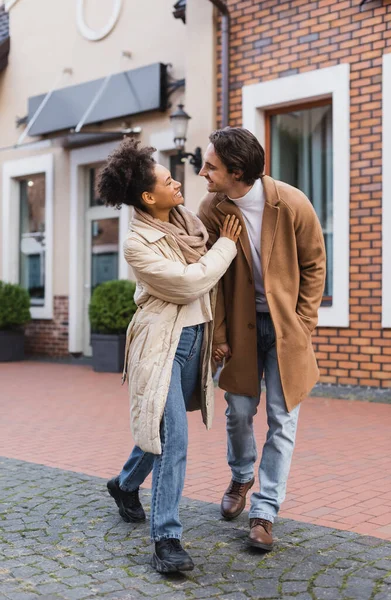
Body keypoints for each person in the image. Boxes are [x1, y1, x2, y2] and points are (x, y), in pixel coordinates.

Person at [97, 138, 241, 573]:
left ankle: (124, 485)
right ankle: (166, 539)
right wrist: (225, 248)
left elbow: (206, 288)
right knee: (174, 439)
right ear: (147, 197)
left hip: (195, 341)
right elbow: (188, 282)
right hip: (161, 348)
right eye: (166, 180)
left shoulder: (188, 223)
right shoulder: (138, 243)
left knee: (160, 430)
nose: (177, 181)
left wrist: (215, 335)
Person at [197, 127, 326, 551]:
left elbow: (314, 266)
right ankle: (240, 475)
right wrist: (218, 333)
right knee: (237, 409)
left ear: (237, 171)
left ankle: (264, 511)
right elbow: (209, 277)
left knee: (282, 418)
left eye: (211, 166)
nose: (203, 172)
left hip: (286, 328)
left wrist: (303, 324)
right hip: (239, 327)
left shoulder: (290, 202)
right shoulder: (212, 209)